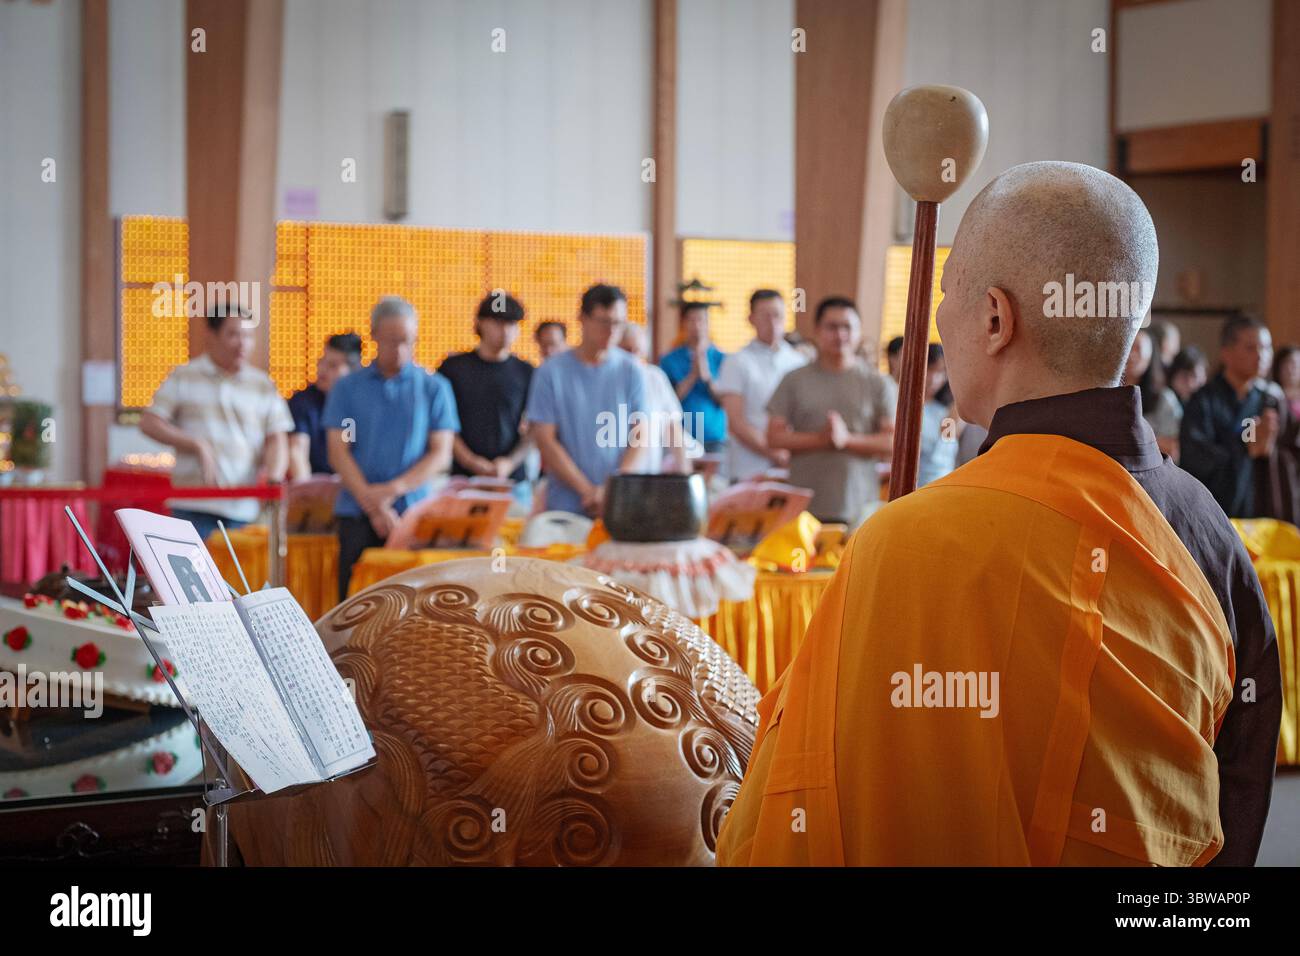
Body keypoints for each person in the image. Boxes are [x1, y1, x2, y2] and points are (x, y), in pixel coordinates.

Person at [718, 161, 1279, 867]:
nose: (939, 318)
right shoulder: (1205, 530)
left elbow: (805, 802)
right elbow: (1242, 788)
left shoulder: (899, 542)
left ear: (994, 317)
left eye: (947, 293)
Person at [324, 297, 459, 599]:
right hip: (357, 512)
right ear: (373, 335)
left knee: (413, 606)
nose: (398, 350)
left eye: (405, 342)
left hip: (413, 513)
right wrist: (373, 503)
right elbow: (338, 451)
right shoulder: (349, 388)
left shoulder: (434, 388)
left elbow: (440, 452)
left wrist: (394, 490)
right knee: (353, 605)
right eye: (389, 341)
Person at [141, 304, 292, 541]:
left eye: (248, 335)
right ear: (211, 336)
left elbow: (278, 438)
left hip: (244, 510)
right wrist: (195, 444)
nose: (242, 343)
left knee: (239, 579)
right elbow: (149, 422)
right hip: (192, 506)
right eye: (233, 334)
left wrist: (274, 480)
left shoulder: (262, 384)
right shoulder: (184, 376)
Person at [765, 297, 896, 528]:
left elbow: (892, 443)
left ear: (858, 332)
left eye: (847, 327)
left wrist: (846, 440)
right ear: (817, 330)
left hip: (860, 504)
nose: (840, 335)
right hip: (804, 505)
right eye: (832, 327)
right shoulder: (794, 380)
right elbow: (774, 437)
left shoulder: (878, 383)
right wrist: (820, 439)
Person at [523, 284, 646, 516]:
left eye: (618, 323)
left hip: (619, 502)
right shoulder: (551, 372)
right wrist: (587, 491)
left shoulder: (631, 370)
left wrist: (611, 490)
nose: (611, 331)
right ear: (582, 319)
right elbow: (546, 440)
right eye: (603, 322)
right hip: (566, 505)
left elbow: (640, 435)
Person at [1180, 315, 1293, 518]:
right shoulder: (1203, 401)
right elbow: (1195, 458)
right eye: (1251, 348)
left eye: (1266, 348)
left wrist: (1270, 449)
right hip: (1215, 511)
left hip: (1260, 513)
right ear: (1226, 353)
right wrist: (1246, 447)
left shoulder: (1270, 401)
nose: (1261, 356)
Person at [438, 293, 534, 482]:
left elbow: (537, 429)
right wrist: (470, 461)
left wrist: (509, 463)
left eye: (512, 324)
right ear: (481, 322)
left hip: (511, 479)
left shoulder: (527, 372)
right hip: (463, 478)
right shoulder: (453, 368)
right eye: (498, 323)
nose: (505, 331)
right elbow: (442, 424)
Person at [714, 290, 806, 482]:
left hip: (794, 467)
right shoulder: (737, 361)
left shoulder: (799, 362)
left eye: (777, 315)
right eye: (765, 316)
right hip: (748, 468)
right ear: (751, 318)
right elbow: (736, 422)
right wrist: (774, 452)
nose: (772, 323)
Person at [618, 323, 693, 473]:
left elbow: (673, 428)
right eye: (627, 350)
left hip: (649, 474)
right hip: (612, 478)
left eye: (637, 351)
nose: (633, 357)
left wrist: (686, 473)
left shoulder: (655, 377)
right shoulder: (607, 379)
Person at [288, 333, 362, 479]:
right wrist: (306, 490)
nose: (322, 369)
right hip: (316, 486)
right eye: (321, 361)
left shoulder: (364, 404)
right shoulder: (303, 401)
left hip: (355, 486)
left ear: (353, 371)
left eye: (333, 365)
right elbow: (297, 451)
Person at [659, 303, 728, 453]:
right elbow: (666, 402)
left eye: (701, 320)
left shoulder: (721, 358)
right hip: (681, 437)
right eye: (691, 320)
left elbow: (725, 401)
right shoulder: (669, 360)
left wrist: (707, 377)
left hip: (715, 436)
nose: (697, 325)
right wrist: (692, 375)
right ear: (683, 323)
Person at [1123, 327, 1182, 460]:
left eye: (1138, 348)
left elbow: (1171, 449)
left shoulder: (1164, 399)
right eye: (1128, 346)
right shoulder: (1107, 394)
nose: (1131, 354)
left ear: (1150, 355)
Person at [916, 343, 958, 486]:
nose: (934, 378)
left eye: (941, 372)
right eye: (930, 369)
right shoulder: (906, 408)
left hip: (940, 486)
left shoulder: (945, 410)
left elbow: (946, 443)